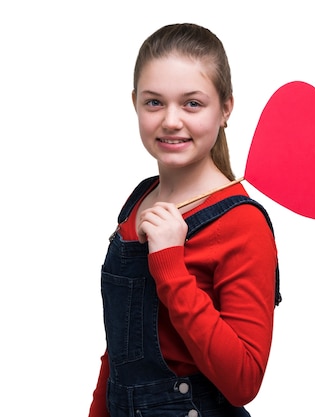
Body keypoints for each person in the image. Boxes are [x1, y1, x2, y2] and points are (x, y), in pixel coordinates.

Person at [88, 23, 281, 417]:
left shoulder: (242, 224)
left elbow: (244, 381)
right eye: (154, 102)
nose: (171, 121)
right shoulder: (138, 201)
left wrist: (171, 266)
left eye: (192, 103)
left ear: (226, 108)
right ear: (134, 103)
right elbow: (120, 355)